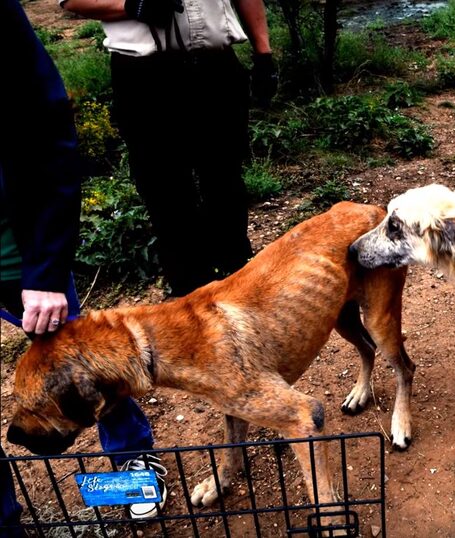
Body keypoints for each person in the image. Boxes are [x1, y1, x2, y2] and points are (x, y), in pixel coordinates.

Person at [0, 1, 166, 531]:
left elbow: (47, 128)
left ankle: (133, 467)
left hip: (12, 255)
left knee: (87, 366)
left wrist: (45, 270)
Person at [61, 0, 278, 297]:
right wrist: (133, 6)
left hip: (217, 68)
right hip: (145, 78)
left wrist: (263, 53)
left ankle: (240, 281)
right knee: (167, 192)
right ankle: (191, 299)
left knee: (226, 180)